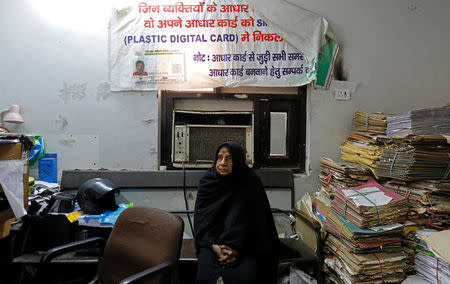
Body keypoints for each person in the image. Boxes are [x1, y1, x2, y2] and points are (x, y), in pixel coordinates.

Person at [194, 141, 280, 284]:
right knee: (204, 278)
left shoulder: (251, 182)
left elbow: (259, 224)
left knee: (245, 278)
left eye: (229, 158)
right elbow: (201, 221)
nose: (222, 163)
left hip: (247, 246)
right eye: (219, 157)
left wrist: (237, 250)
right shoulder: (208, 182)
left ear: (238, 161)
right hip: (211, 244)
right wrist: (215, 248)